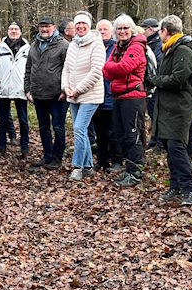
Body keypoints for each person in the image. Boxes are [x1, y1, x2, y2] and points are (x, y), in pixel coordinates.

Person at [150, 15, 192, 206]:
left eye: (160, 31)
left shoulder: (183, 51)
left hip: (179, 108)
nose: (159, 34)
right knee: (170, 150)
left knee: (177, 149)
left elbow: (179, 79)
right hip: (167, 108)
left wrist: (155, 80)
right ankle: (175, 186)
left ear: (165, 31)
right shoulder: (170, 49)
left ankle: (189, 189)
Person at [102, 14, 148, 187]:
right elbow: (106, 71)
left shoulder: (136, 47)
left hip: (133, 97)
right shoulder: (120, 46)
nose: (122, 32)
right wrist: (112, 68)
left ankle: (135, 171)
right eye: (119, 29)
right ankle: (130, 168)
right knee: (121, 135)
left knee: (133, 134)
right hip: (119, 95)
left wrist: (111, 67)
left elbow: (123, 67)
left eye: (125, 28)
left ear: (132, 29)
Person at [61, 13, 105, 180]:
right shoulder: (72, 44)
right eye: (77, 24)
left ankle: (77, 166)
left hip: (90, 95)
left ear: (88, 25)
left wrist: (78, 89)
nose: (80, 27)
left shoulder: (97, 44)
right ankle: (88, 166)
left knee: (79, 128)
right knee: (81, 131)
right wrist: (66, 87)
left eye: (83, 24)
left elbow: (96, 72)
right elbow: (66, 69)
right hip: (73, 95)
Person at [24, 16, 69, 170]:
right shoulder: (34, 45)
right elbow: (28, 68)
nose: (44, 29)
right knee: (43, 126)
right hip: (38, 93)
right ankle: (47, 155)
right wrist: (27, 89)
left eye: (47, 26)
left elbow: (68, 70)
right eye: (42, 26)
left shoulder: (63, 45)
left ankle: (58, 157)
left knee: (58, 126)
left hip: (57, 94)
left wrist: (65, 89)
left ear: (54, 27)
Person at [0, 20, 31, 158]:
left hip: (21, 88)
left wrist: (28, 86)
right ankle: (1, 147)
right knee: (2, 120)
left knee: (23, 120)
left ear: (20, 31)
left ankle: (25, 147)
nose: (13, 31)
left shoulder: (28, 48)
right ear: (7, 31)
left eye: (16, 29)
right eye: (11, 29)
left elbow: (31, 68)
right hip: (3, 88)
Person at [93, 19, 122, 172]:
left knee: (114, 131)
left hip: (112, 96)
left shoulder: (117, 48)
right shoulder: (93, 46)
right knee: (100, 132)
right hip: (95, 97)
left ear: (111, 31)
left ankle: (117, 160)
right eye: (100, 30)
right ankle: (102, 160)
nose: (102, 32)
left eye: (105, 29)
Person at [140, 17, 164, 150]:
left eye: (144, 29)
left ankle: (159, 143)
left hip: (155, 85)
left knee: (155, 114)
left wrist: (152, 80)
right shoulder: (150, 42)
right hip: (152, 85)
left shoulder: (157, 44)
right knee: (152, 113)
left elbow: (157, 65)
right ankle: (155, 141)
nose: (143, 31)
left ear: (150, 29)